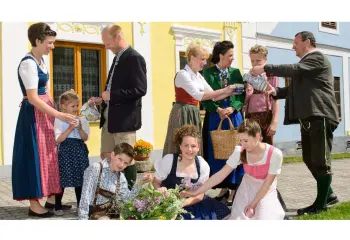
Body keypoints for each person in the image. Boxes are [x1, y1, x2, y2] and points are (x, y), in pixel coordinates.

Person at [250, 31, 339, 215]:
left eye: (295, 43)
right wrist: (276, 92)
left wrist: (267, 68)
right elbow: (295, 89)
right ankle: (329, 195)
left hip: (320, 115)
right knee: (308, 158)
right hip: (308, 118)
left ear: (307, 42)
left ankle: (321, 205)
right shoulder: (306, 64)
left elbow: (295, 70)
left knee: (321, 161)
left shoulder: (317, 58)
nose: (293, 47)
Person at [12, 22, 77, 218]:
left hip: (44, 114)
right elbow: (32, 97)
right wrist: (59, 114)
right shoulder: (28, 63)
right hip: (33, 115)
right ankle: (34, 204)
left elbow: (46, 91)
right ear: (38, 41)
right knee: (34, 156)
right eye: (49, 43)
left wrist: (56, 111)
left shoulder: (41, 62)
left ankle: (50, 199)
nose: (52, 46)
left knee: (49, 155)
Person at [181, 120, 285, 220]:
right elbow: (220, 175)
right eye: (240, 140)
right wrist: (196, 192)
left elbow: (267, 184)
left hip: (265, 191)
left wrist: (253, 204)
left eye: (246, 140)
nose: (242, 144)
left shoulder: (275, 154)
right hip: (247, 189)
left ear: (257, 136)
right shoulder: (239, 152)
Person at [89, 24, 147, 190]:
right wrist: (103, 99)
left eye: (108, 43)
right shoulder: (117, 57)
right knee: (107, 155)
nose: (106, 47)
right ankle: (109, 191)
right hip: (110, 116)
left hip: (125, 120)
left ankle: (127, 195)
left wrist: (112, 95)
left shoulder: (134, 57)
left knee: (125, 159)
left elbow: (140, 89)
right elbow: (114, 87)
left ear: (118, 38)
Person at [162, 43, 239, 157]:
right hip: (182, 112)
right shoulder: (183, 75)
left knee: (193, 144)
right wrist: (225, 90)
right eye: (202, 59)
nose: (204, 63)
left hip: (193, 112)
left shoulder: (198, 76)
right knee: (181, 144)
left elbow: (213, 95)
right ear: (192, 58)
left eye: (205, 59)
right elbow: (199, 95)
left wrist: (231, 91)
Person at [154, 125, 230, 220]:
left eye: (193, 146)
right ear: (180, 146)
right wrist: (160, 190)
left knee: (226, 214)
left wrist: (183, 203)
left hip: (194, 202)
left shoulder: (202, 164)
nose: (189, 150)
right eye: (186, 145)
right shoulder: (169, 160)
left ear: (198, 147)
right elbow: (156, 182)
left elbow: (201, 193)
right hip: (169, 203)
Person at [201, 41, 245, 204]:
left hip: (233, 116)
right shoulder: (208, 73)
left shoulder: (235, 72)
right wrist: (216, 109)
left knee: (235, 149)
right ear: (221, 56)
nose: (232, 58)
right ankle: (223, 187)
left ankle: (234, 188)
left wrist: (233, 108)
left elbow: (240, 96)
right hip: (215, 116)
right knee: (218, 151)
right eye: (230, 55)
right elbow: (203, 96)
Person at [79, 143, 151, 220]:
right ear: (113, 155)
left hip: (111, 214)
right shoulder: (95, 168)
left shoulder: (121, 177)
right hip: (94, 215)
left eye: (125, 163)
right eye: (120, 159)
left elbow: (127, 199)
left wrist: (140, 183)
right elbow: (85, 197)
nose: (121, 165)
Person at [53, 90, 90, 216]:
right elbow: (58, 139)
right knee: (63, 178)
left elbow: (85, 138)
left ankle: (81, 205)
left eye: (77, 106)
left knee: (80, 178)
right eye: (72, 106)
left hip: (80, 150)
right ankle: (57, 205)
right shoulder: (59, 119)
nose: (75, 108)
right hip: (66, 150)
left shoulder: (82, 119)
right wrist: (69, 128)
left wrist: (79, 128)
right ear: (63, 106)